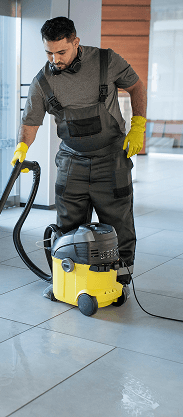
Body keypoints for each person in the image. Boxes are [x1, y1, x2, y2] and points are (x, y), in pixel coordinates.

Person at [11, 16, 147, 299]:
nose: (55, 59)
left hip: (111, 159)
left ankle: (119, 283)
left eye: (61, 52)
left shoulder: (106, 61)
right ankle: (66, 280)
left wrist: (138, 126)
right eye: (49, 52)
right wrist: (21, 149)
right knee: (67, 225)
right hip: (72, 161)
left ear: (76, 42)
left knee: (118, 222)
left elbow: (136, 86)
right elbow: (31, 123)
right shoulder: (42, 81)